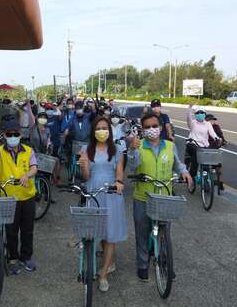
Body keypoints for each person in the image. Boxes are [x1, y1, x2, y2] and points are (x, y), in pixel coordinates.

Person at [127, 112, 192, 281]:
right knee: (142, 232)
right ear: (142, 129)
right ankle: (142, 264)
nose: (151, 130)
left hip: (164, 197)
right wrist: (132, 150)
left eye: (154, 126)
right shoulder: (138, 146)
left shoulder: (170, 146)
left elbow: (178, 164)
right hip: (143, 196)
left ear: (161, 128)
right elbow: (133, 167)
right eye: (147, 127)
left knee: (165, 232)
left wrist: (184, 172)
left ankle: (165, 262)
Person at [0, 120, 38, 274]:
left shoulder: (29, 151)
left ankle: (26, 257)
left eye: (15, 134)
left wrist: (27, 175)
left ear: (20, 135)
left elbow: (34, 167)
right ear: (4, 136)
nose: (12, 137)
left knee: (27, 230)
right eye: (9, 134)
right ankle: (12, 258)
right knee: (11, 230)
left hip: (27, 197)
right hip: (8, 199)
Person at [78, 116, 126, 292]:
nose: (102, 131)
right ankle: (109, 260)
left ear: (110, 130)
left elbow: (119, 173)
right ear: (93, 131)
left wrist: (119, 182)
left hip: (112, 193)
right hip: (93, 192)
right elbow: (86, 177)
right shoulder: (86, 149)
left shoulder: (117, 150)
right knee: (97, 231)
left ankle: (103, 273)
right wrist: (83, 165)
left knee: (110, 233)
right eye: (98, 128)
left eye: (105, 128)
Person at [185, 105, 219, 178]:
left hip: (204, 146)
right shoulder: (192, 123)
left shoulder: (208, 124)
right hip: (193, 144)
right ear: (195, 115)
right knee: (195, 158)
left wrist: (217, 138)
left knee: (208, 159)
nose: (200, 114)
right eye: (197, 113)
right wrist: (189, 109)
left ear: (205, 114)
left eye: (202, 112)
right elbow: (188, 119)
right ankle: (192, 175)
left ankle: (206, 176)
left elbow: (212, 134)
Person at [205, 114, 226, 190]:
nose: (212, 121)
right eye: (210, 120)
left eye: (213, 120)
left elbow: (221, 135)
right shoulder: (203, 127)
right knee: (204, 166)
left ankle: (220, 182)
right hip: (205, 149)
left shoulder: (216, 127)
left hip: (214, 149)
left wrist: (223, 141)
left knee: (219, 165)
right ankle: (205, 179)